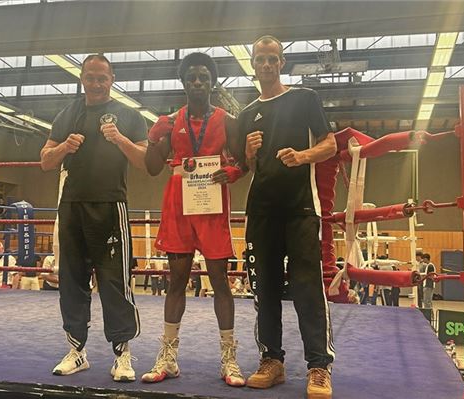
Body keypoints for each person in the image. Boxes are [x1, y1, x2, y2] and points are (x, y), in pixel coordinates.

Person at [235, 35, 336, 398]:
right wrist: (247, 152)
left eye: (272, 58)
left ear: (282, 62)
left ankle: (319, 366)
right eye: (260, 58)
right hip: (261, 210)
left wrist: (304, 156)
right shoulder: (246, 115)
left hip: (300, 208)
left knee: (308, 286)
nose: (266, 64)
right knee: (266, 288)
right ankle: (271, 360)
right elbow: (246, 167)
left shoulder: (304, 98)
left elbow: (331, 144)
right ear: (253, 64)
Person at [40, 54, 147, 381]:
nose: (96, 84)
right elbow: (45, 160)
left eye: (102, 78)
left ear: (112, 78)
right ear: (82, 78)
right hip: (71, 205)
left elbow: (144, 159)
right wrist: (63, 149)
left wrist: (120, 139)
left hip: (110, 205)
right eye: (90, 77)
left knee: (115, 281)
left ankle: (123, 354)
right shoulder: (68, 113)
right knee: (71, 280)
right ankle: (76, 351)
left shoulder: (129, 116)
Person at [141, 52, 245, 387]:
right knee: (176, 281)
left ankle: (229, 358)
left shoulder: (228, 121)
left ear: (212, 82)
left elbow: (244, 162)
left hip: (213, 206)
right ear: (184, 82)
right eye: (192, 78)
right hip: (179, 205)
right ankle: (167, 357)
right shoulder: (171, 122)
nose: (198, 82)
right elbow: (153, 166)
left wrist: (232, 170)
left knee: (219, 281)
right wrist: (153, 138)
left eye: (203, 77)